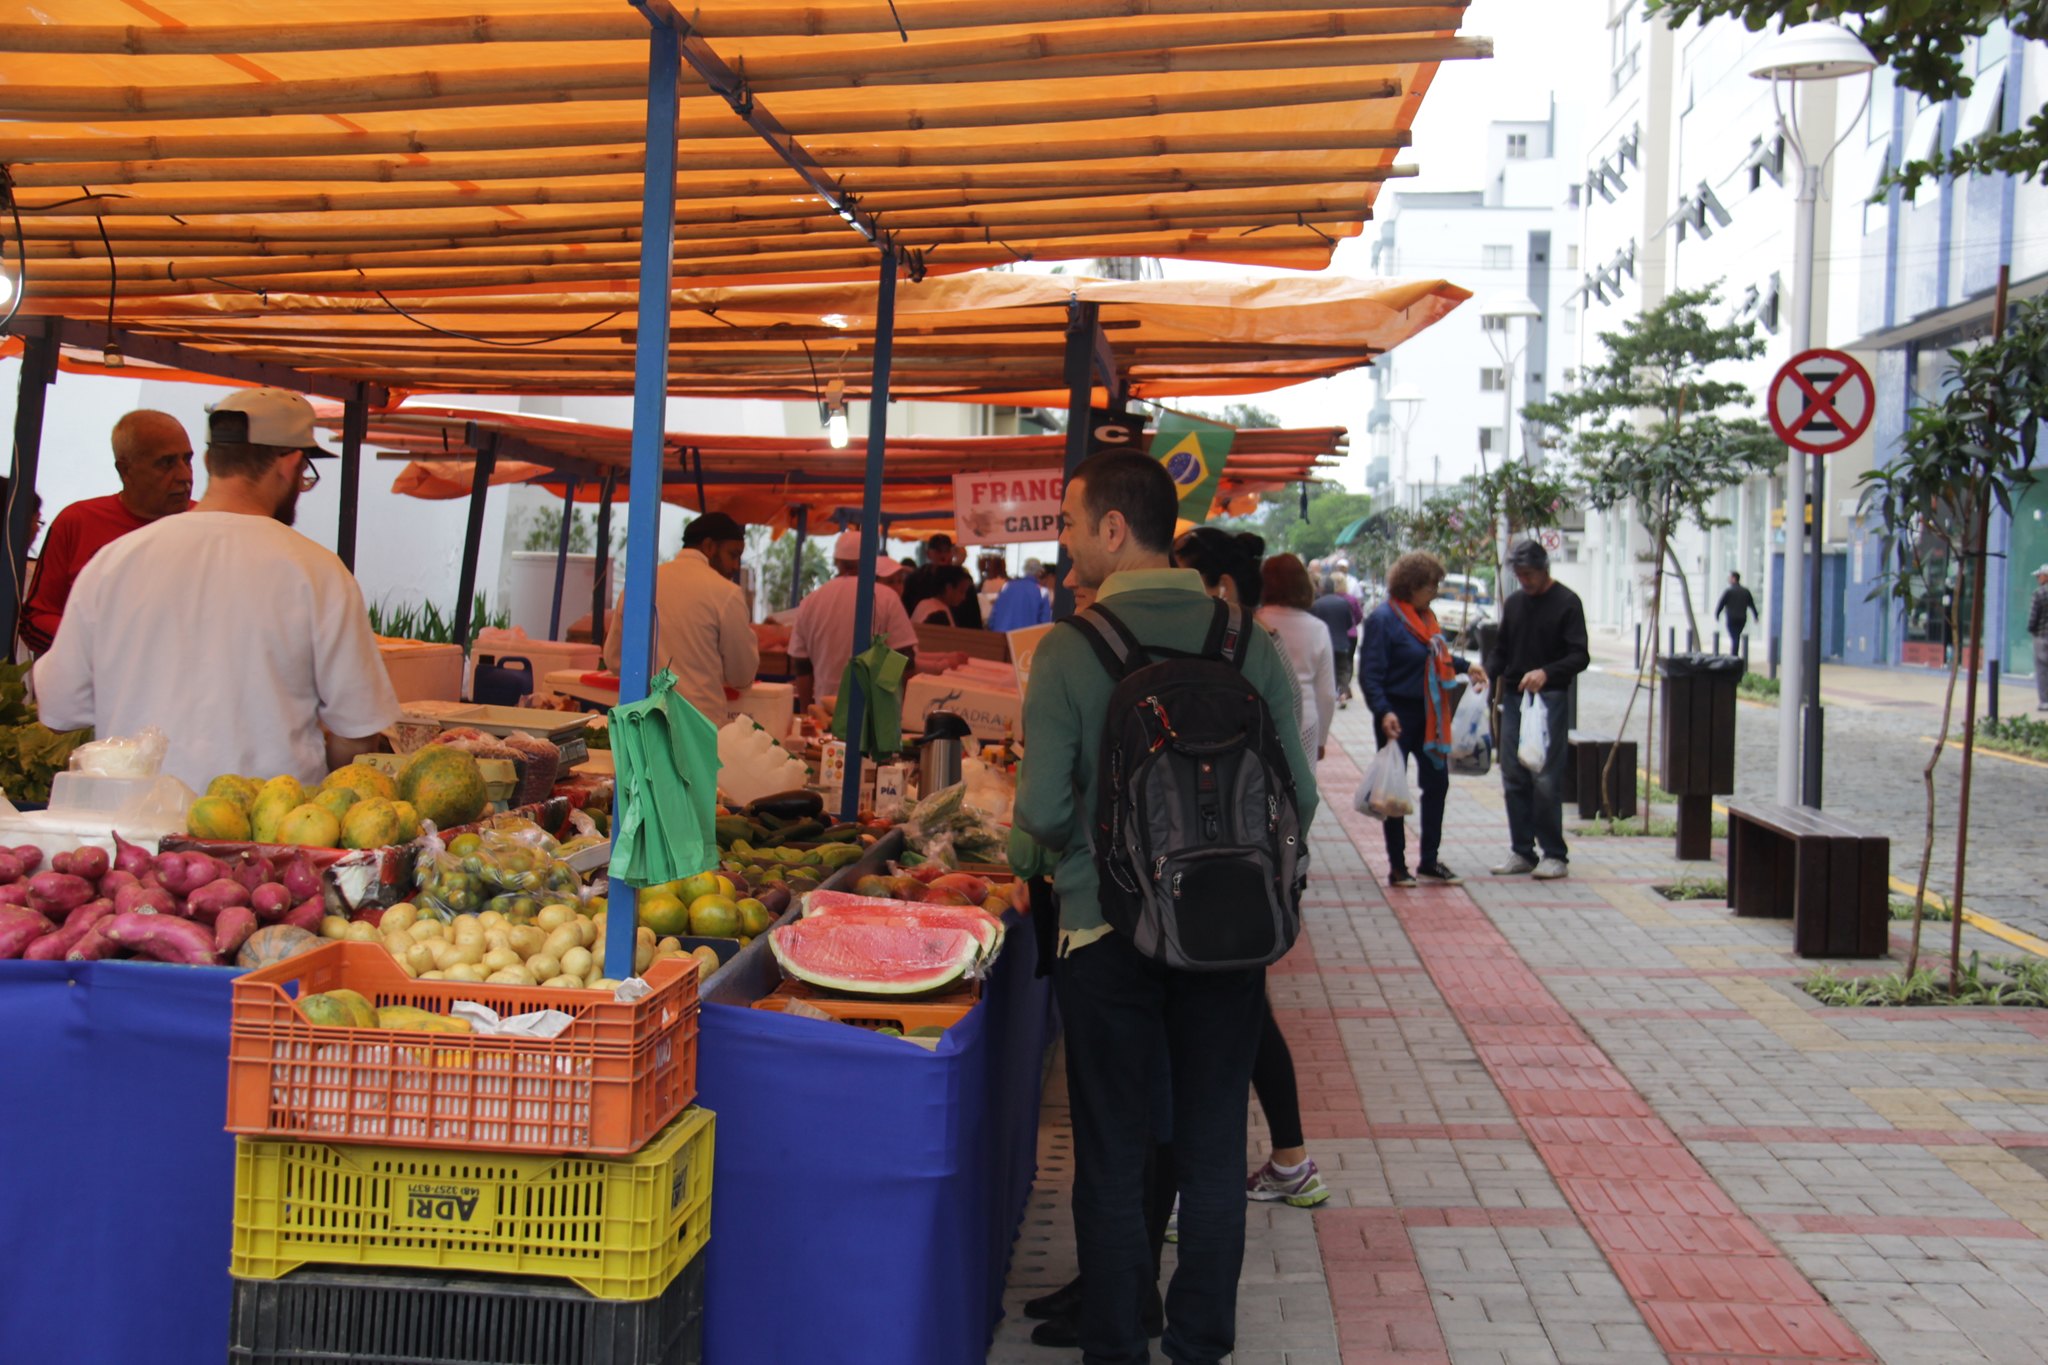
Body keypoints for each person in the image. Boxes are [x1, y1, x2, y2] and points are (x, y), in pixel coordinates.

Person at [1013, 451, 1318, 1365]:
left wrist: (1051, 861)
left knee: (1110, 1152)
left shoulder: (1071, 646)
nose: (1064, 543)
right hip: (1224, 937)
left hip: (1104, 932)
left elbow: (1043, 813)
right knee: (1215, 1146)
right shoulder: (1242, 641)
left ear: (1115, 529)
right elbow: (1297, 794)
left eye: (1070, 522)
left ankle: (1117, 1345)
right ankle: (1200, 1345)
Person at [33, 388, 397, 792]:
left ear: (207, 461)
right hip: (263, 837)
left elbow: (59, 707)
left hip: (132, 835)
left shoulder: (114, 561)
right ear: (290, 462)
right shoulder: (319, 573)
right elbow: (358, 731)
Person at [1169, 527, 1330, 1208]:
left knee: (1206, 1028)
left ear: (1221, 588)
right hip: (1239, 876)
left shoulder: (1236, 651)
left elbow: (1299, 785)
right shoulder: (1251, 647)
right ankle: (1290, 1159)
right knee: (1246, 1013)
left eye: (1183, 580)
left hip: (1209, 875)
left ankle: (1180, 1194)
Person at [1360, 551, 1487, 888]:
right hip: (1396, 715)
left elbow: (1438, 655)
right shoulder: (1384, 619)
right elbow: (1371, 674)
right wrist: (1383, 710)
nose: (1435, 593)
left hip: (1430, 713)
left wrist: (1465, 666)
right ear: (1412, 585)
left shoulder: (1427, 618)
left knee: (1437, 783)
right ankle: (1398, 865)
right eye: (1431, 587)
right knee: (1394, 792)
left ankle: (1429, 860)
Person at [20, 409, 195, 654]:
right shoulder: (77, 522)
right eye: (166, 463)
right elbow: (36, 618)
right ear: (125, 470)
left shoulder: (211, 526)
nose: (185, 476)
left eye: (187, 460)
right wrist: (103, 649)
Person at [1485, 538, 1589, 881]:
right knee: (1513, 772)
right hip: (1515, 698)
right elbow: (1502, 649)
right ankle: (1521, 850)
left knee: (1545, 774)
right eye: (1519, 574)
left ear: (1544, 570)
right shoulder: (1514, 604)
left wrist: (1547, 672)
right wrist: (1485, 675)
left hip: (1550, 699)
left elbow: (1579, 655)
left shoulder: (1567, 602)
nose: (1525, 580)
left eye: (1529, 574)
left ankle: (1554, 853)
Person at [600, 511, 758, 725]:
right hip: (698, 727)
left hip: (643, 725)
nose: (735, 566)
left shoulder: (640, 584)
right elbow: (741, 674)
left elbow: (615, 659)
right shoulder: (725, 593)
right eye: (733, 554)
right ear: (709, 546)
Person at [788, 530, 919, 709]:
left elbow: (802, 665)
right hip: (871, 712)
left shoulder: (810, 601)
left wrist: (806, 711)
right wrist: (883, 692)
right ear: (870, 560)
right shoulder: (886, 597)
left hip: (825, 708)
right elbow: (903, 656)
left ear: (837, 562)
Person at [1256, 554, 1337, 762]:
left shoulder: (1254, 622)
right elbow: (1327, 694)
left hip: (1261, 721)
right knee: (1301, 788)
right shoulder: (1318, 629)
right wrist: (1321, 740)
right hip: (1305, 724)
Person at [1310, 571, 1364, 709]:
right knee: (1343, 670)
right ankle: (1343, 694)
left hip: (1325, 643)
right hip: (1342, 642)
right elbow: (1349, 622)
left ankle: (1330, 695)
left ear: (1321, 589)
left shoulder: (1317, 604)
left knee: (1328, 670)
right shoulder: (1343, 603)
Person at [988, 555, 1053, 632]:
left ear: (1024, 570)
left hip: (1001, 636)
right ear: (1039, 572)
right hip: (1024, 639)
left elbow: (993, 618)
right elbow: (1044, 625)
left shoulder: (1006, 586)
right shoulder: (1042, 592)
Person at [909, 565, 975, 626]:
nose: (964, 597)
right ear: (949, 588)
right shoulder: (938, 615)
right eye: (961, 591)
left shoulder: (923, 603)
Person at [1715, 571, 1758, 655]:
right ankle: (1734, 654)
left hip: (1732, 618)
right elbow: (1752, 604)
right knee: (1736, 636)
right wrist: (1755, 616)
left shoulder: (1729, 591)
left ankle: (1734, 655)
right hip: (1742, 618)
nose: (1729, 579)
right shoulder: (1746, 591)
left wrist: (1717, 614)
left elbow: (1721, 603)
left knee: (1735, 637)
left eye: (1730, 578)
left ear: (1734, 578)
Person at [2030, 565, 2048, 712]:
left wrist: (2031, 629)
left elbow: (2033, 617)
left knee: (2042, 669)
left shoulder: (2039, 593)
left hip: (2042, 636)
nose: (2037, 578)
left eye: (2039, 576)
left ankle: (2045, 701)